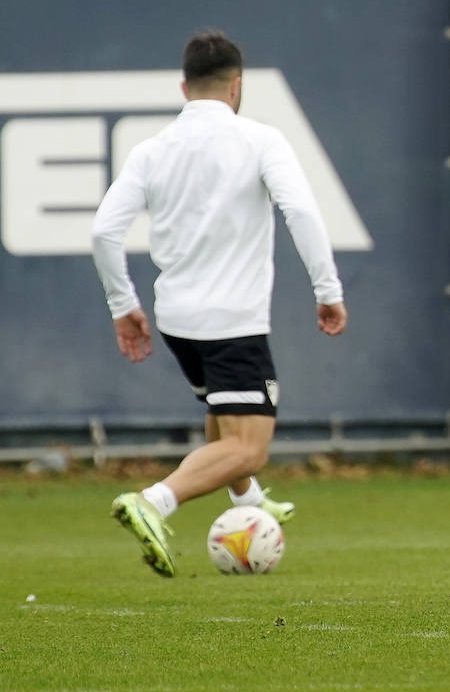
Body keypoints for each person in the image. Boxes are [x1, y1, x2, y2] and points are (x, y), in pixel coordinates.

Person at [91, 30, 347, 577]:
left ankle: (249, 504)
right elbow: (301, 211)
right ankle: (154, 501)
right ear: (237, 85)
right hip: (233, 320)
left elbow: (104, 232)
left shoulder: (152, 150)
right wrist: (327, 291)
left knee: (226, 421)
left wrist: (122, 303)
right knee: (250, 446)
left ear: (184, 87)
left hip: (177, 320)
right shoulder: (260, 139)